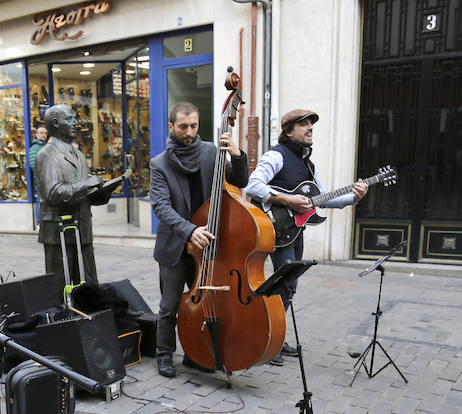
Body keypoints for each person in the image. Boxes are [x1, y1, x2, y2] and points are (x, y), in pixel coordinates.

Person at [245, 109, 367, 365]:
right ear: (289, 131)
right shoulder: (275, 156)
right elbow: (253, 185)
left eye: (311, 123)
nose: (310, 127)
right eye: (303, 124)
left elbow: (324, 198)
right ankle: (267, 339)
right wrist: (286, 199)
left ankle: (275, 336)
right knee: (284, 284)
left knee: (290, 286)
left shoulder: (308, 164)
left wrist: (353, 198)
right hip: (275, 228)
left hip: (294, 231)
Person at [149, 101, 249, 378]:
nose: (190, 131)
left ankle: (196, 353)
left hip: (207, 246)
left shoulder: (212, 153)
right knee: (169, 307)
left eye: (194, 125)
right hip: (176, 245)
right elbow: (161, 206)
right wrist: (189, 230)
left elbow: (239, 181)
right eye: (183, 126)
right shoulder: (159, 164)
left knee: (203, 303)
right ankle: (164, 354)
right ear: (172, 127)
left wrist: (238, 155)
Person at [36, 104, 120, 297]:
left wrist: (102, 191)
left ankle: (93, 322)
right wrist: (87, 185)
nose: (76, 122)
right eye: (70, 119)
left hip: (82, 227)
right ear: (55, 123)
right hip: (59, 232)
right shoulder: (46, 155)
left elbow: (83, 194)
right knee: (60, 290)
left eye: (75, 118)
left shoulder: (79, 155)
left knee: (90, 286)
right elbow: (53, 192)